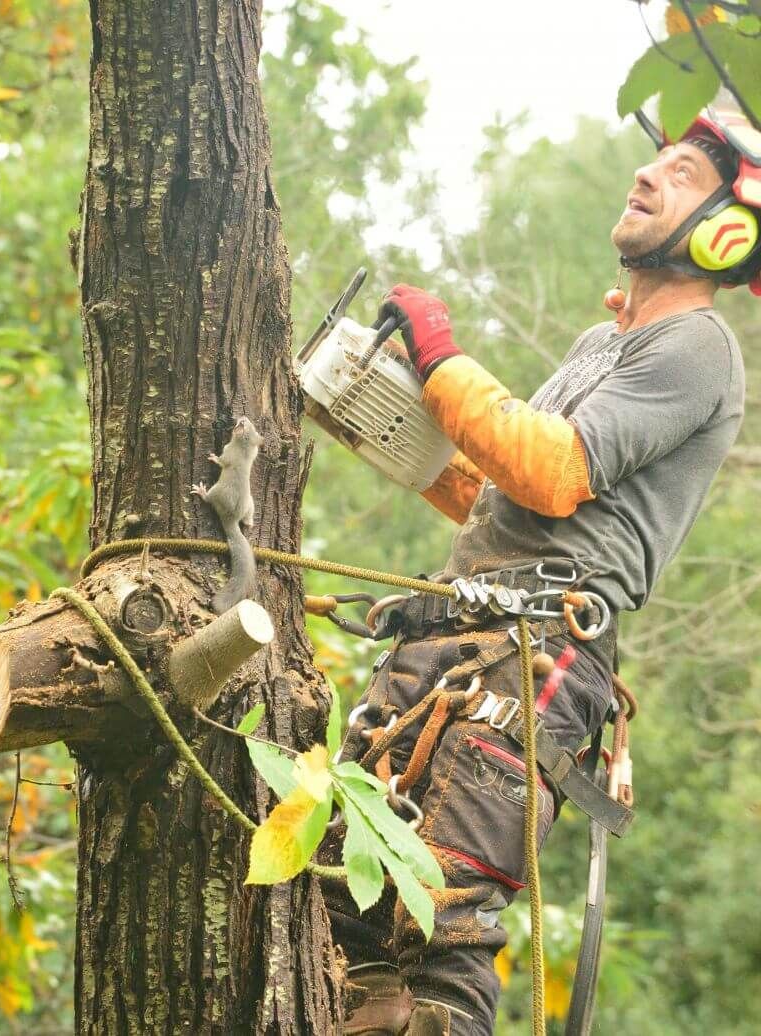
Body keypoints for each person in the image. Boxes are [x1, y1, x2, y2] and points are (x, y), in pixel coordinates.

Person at [323, 107, 760, 1036]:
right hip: (461, 631)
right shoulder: (602, 347)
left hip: (536, 656)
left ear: (729, 233)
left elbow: (553, 471)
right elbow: (501, 492)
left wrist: (444, 355)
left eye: (681, 174)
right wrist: (387, 412)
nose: (647, 177)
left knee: (438, 914)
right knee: (346, 902)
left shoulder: (698, 347)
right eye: (654, 165)